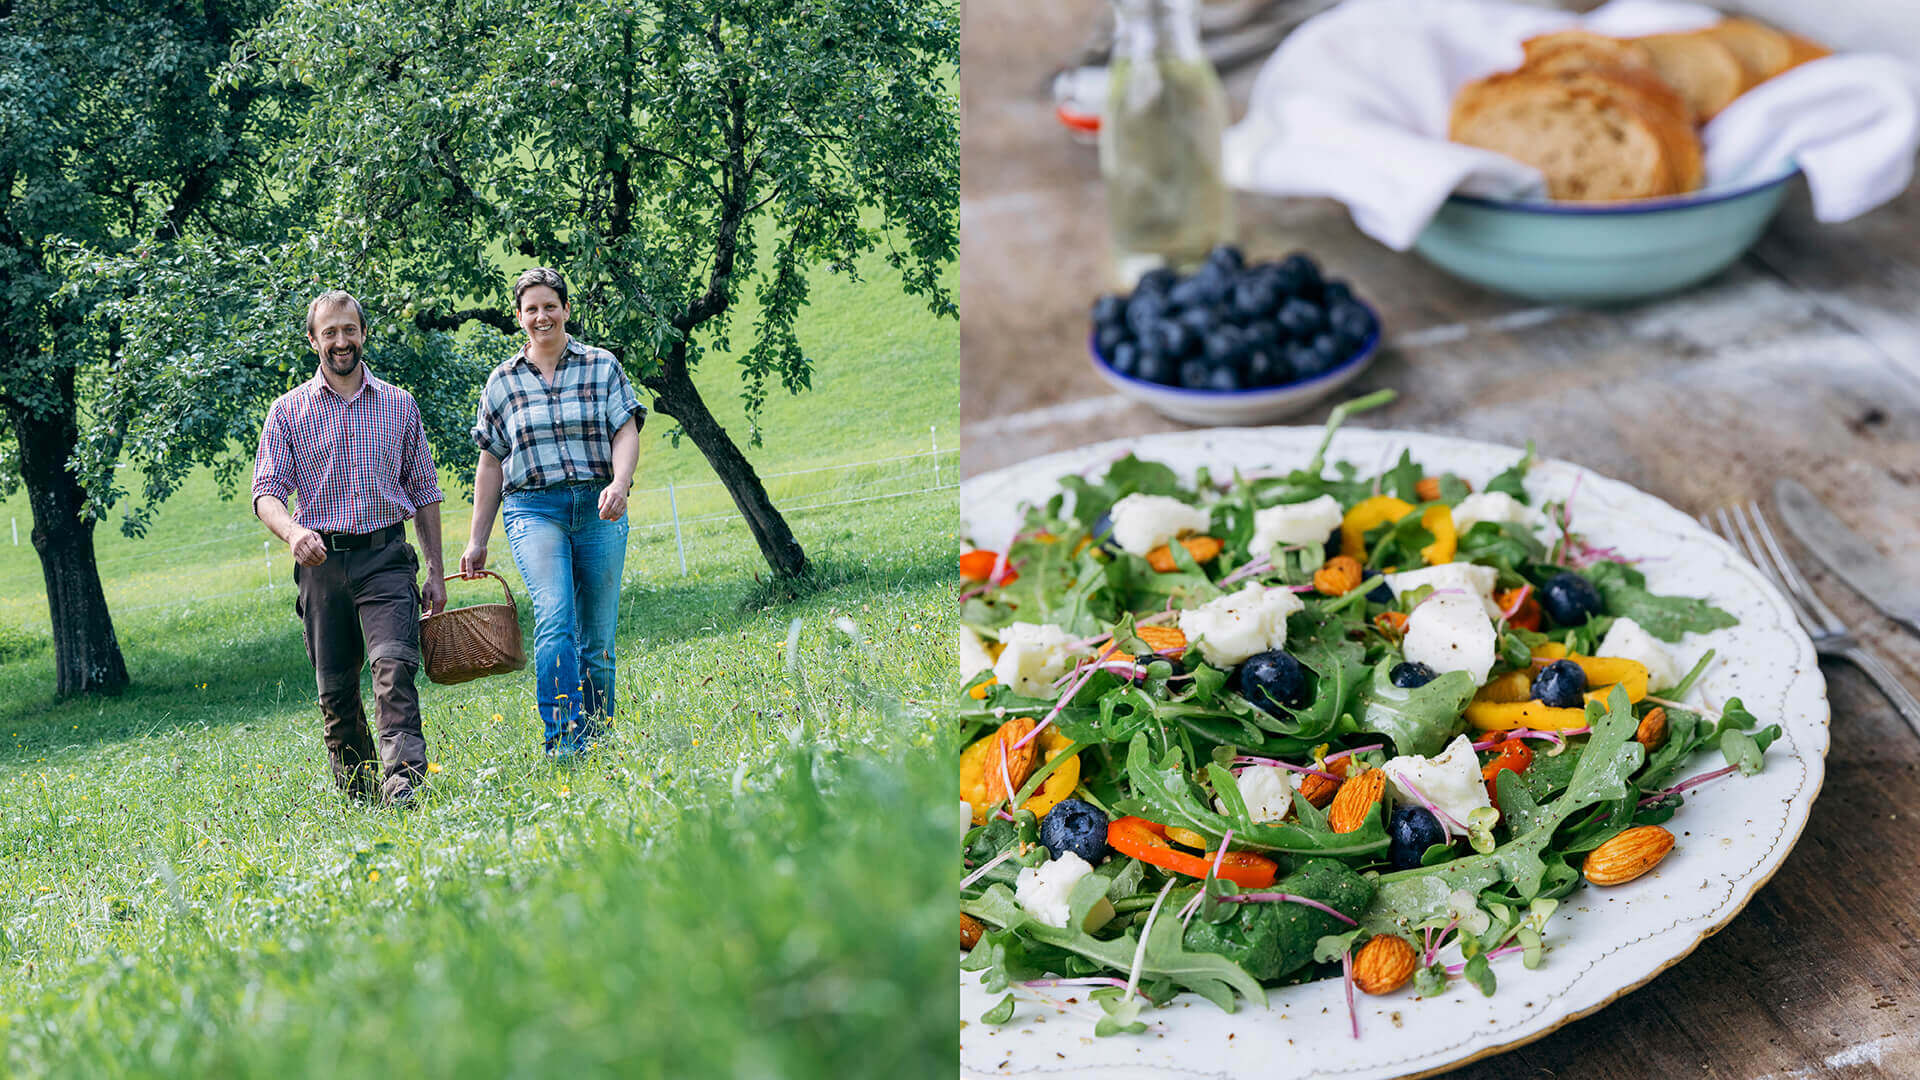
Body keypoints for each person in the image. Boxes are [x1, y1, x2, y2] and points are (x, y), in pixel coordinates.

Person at [252, 290, 446, 805]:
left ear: (364, 333)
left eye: (350, 330)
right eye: (330, 332)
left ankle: (404, 781)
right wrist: (294, 533)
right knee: (336, 690)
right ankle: (358, 789)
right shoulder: (288, 410)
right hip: (321, 564)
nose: (342, 341)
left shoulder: (399, 405)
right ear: (314, 340)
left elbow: (424, 491)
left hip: (385, 555)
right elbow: (265, 493)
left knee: (393, 668)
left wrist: (435, 570)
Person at [462, 267, 642, 757]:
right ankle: (563, 739)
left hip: (598, 506)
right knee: (555, 616)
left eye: (550, 306)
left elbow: (626, 430)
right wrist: (477, 539)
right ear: (519, 317)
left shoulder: (601, 365)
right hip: (533, 509)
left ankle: (602, 735)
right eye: (531, 309)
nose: (542, 316)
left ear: (566, 309)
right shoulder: (501, 382)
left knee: (597, 641)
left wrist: (619, 484)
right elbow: (491, 462)